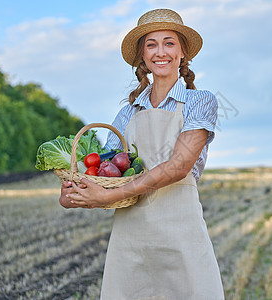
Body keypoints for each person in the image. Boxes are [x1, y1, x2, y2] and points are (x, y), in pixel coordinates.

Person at [59, 8, 224, 300]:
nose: (161, 52)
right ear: (143, 56)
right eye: (151, 44)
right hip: (130, 241)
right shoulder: (127, 113)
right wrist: (76, 194)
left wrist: (108, 197)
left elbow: (178, 167)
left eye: (169, 42)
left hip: (181, 236)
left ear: (183, 52)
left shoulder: (200, 101)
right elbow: (108, 174)